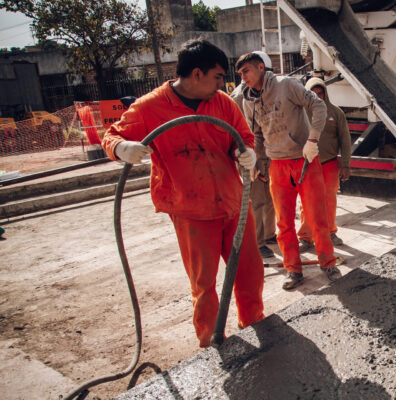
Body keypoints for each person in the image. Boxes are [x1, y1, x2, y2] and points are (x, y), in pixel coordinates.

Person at [101, 39, 265, 348]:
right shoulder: (150, 107)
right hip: (192, 211)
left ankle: (254, 322)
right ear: (197, 73)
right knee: (204, 285)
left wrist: (246, 152)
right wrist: (122, 148)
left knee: (250, 273)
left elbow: (242, 135)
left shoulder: (222, 103)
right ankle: (211, 341)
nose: (223, 84)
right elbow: (111, 137)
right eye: (218, 76)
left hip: (232, 204)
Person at [235, 52, 341, 291]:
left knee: (316, 217)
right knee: (283, 223)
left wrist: (313, 140)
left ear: (261, 67)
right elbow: (258, 135)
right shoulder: (248, 100)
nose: (243, 78)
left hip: (304, 160)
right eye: (240, 74)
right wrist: (256, 162)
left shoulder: (286, 85)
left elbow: (318, 105)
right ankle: (293, 269)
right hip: (277, 165)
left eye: (246, 72)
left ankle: (328, 263)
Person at [230, 52, 278, 260]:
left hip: (267, 153)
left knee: (269, 198)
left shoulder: (264, 92)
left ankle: (269, 234)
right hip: (252, 155)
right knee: (257, 200)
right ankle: (258, 242)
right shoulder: (242, 96)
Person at [297, 77, 352, 250]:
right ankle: (306, 237)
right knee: (307, 201)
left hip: (329, 164)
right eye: (314, 93)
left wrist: (345, 164)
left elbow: (345, 139)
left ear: (325, 93)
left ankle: (329, 232)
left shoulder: (336, 113)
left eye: (320, 92)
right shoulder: (300, 113)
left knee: (329, 199)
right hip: (307, 164)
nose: (317, 96)